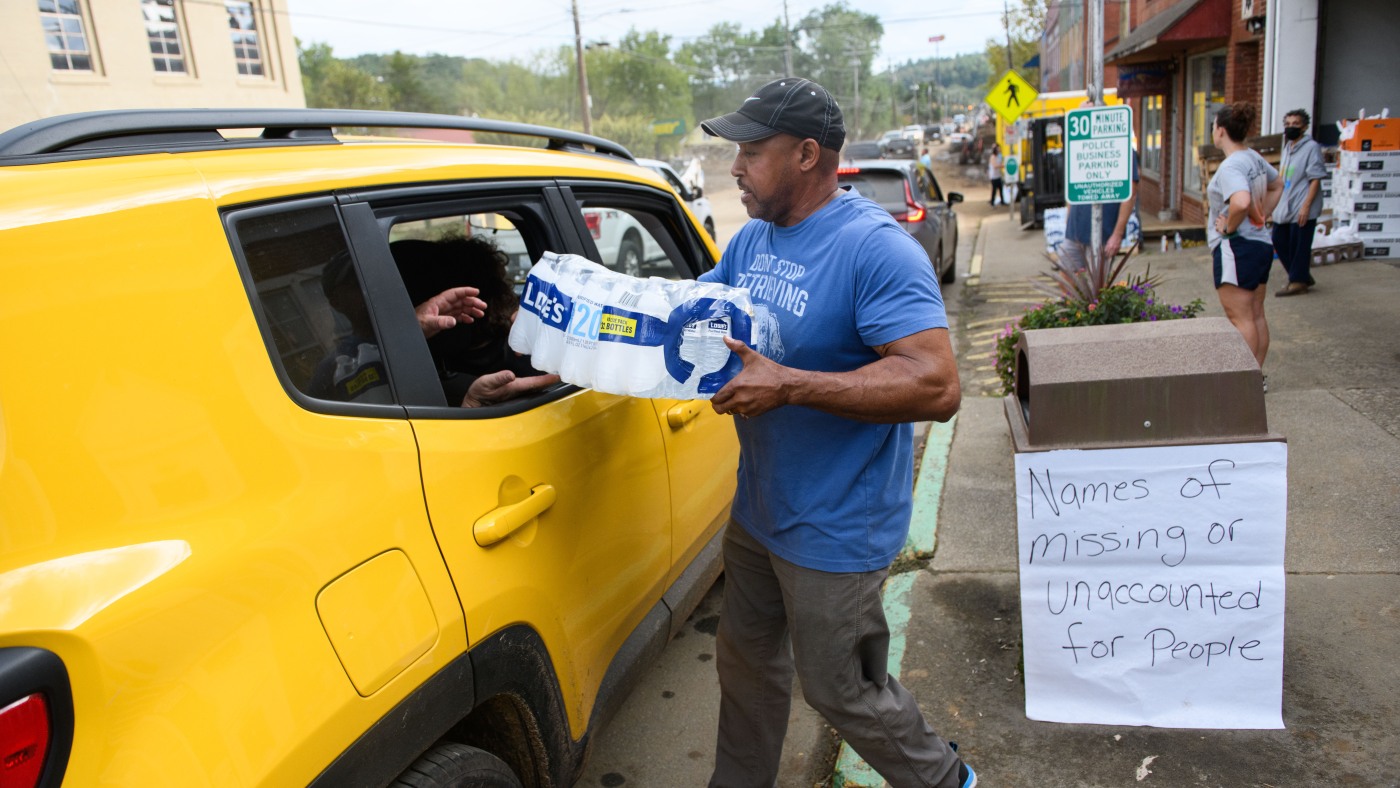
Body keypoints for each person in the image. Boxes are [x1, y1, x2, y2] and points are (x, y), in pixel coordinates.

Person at [697, 77, 973, 788]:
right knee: (747, 668)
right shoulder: (753, 238)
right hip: (759, 511)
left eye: (752, 152)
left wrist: (789, 384)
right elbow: (695, 317)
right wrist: (562, 357)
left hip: (837, 524)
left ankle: (948, 781)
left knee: (842, 689)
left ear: (807, 155)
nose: (735, 168)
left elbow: (937, 385)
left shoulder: (875, 250)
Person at [312, 248, 557, 407]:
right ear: (336, 301)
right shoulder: (340, 368)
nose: (370, 290)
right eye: (356, 283)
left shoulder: (522, 343)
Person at [1206, 102, 1283, 378]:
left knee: (1241, 319)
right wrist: (1263, 215)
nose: (1213, 131)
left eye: (1213, 126)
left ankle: (1244, 383)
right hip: (1260, 244)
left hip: (1237, 248)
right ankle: (1255, 378)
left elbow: (1240, 201)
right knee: (1256, 314)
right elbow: (1278, 184)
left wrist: (1228, 227)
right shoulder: (1253, 157)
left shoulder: (1231, 166)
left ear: (1221, 131)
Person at [1271, 109, 1327, 296]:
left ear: (1304, 126)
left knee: (1299, 244)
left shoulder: (1311, 147)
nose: (1291, 128)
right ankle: (1301, 275)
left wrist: (1306, 206)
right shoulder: (1287, 147)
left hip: (1302, 205)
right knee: (1279, 239)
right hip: (1286, 203)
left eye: (1295, 124)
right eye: (1287, 124)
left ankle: (1298, 282)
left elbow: (1315, 178)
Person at [1059, 150, 1140, 272]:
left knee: (1096, 286)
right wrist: (1068, 219)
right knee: (1066, 275)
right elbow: (1072, 186)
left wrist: (1117, 235)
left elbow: (1131, 194)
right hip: (1074, 231)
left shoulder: (1123, 148)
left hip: (1104, 233)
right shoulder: (1083, 147)